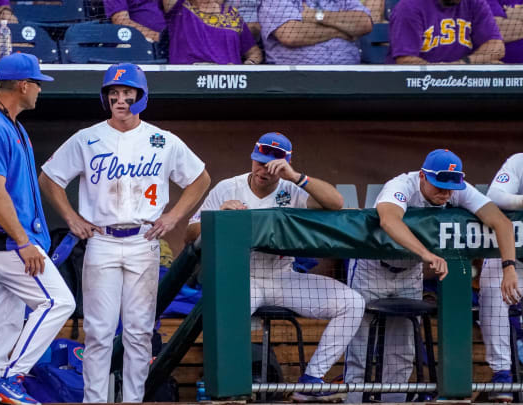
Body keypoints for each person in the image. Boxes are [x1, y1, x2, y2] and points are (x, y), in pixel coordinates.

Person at [39, 63, 210, 402]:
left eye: (127, 94)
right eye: (113, 94)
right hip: (101, 240)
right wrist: (71, 217)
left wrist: (175, 216)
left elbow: (200, 178)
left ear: (141, 97)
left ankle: (133, 400)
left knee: (139, 333)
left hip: (143, 241)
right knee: (99, 332)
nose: (120, 100)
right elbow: (50, 178)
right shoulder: (88, 137)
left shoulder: (161, 139)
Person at [185, 132, 365, 402]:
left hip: (283, 278)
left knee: (352, 303)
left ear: (283, 165)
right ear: (252, 157)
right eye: (259, 162)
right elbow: (190, 234)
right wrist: (218, 216)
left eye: (270, 166)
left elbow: (335, 203)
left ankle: (310, 381)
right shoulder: (228, 187)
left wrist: (296, 177)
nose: (263, 170)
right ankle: (230, 388)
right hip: (241, 277)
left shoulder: (292, 189)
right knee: (225, 318)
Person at [344, 149, 518, 403]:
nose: (446, 193)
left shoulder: (458, 189)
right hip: (372, 268)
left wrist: (509, 266)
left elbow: (501, 222)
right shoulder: (402, 185)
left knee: (402, 351)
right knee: (359, 349)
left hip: (409, 272)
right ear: (424, 176)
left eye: (450, 187)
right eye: (439, 185)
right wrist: (426, 254)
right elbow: (389, 221)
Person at [0, 52, 75, 405]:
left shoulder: (12, 124)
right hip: (7, 243)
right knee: (58, 302)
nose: (40, 90)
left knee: (2, 327)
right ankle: (10, 378)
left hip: (7, 241)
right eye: (38, 83)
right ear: (23, 85)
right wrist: (23, 242)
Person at [479, 153, 523, 402]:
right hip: (511, 257)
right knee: (493, 291)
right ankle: (502, 374)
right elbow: (495, 196)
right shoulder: (519, 161)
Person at [388, 0, 504, 64]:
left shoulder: (475, 3)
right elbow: (406, 60)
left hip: (460, 80)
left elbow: (497, 47)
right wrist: (442, 73)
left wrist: (463, 64)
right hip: (416, 85)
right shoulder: (409, 7)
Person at [258, 0, 372, 64]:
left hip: (349, 75)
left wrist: (318, 15)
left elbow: (364, 23)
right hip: (298, 80)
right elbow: (291, 35)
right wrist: (340, 31)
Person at [162, 0, 263, 64]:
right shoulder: (180, 9)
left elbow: (255, 53)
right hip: (189, 81)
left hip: (229, 84)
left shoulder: (232, 13)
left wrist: (248, 65)